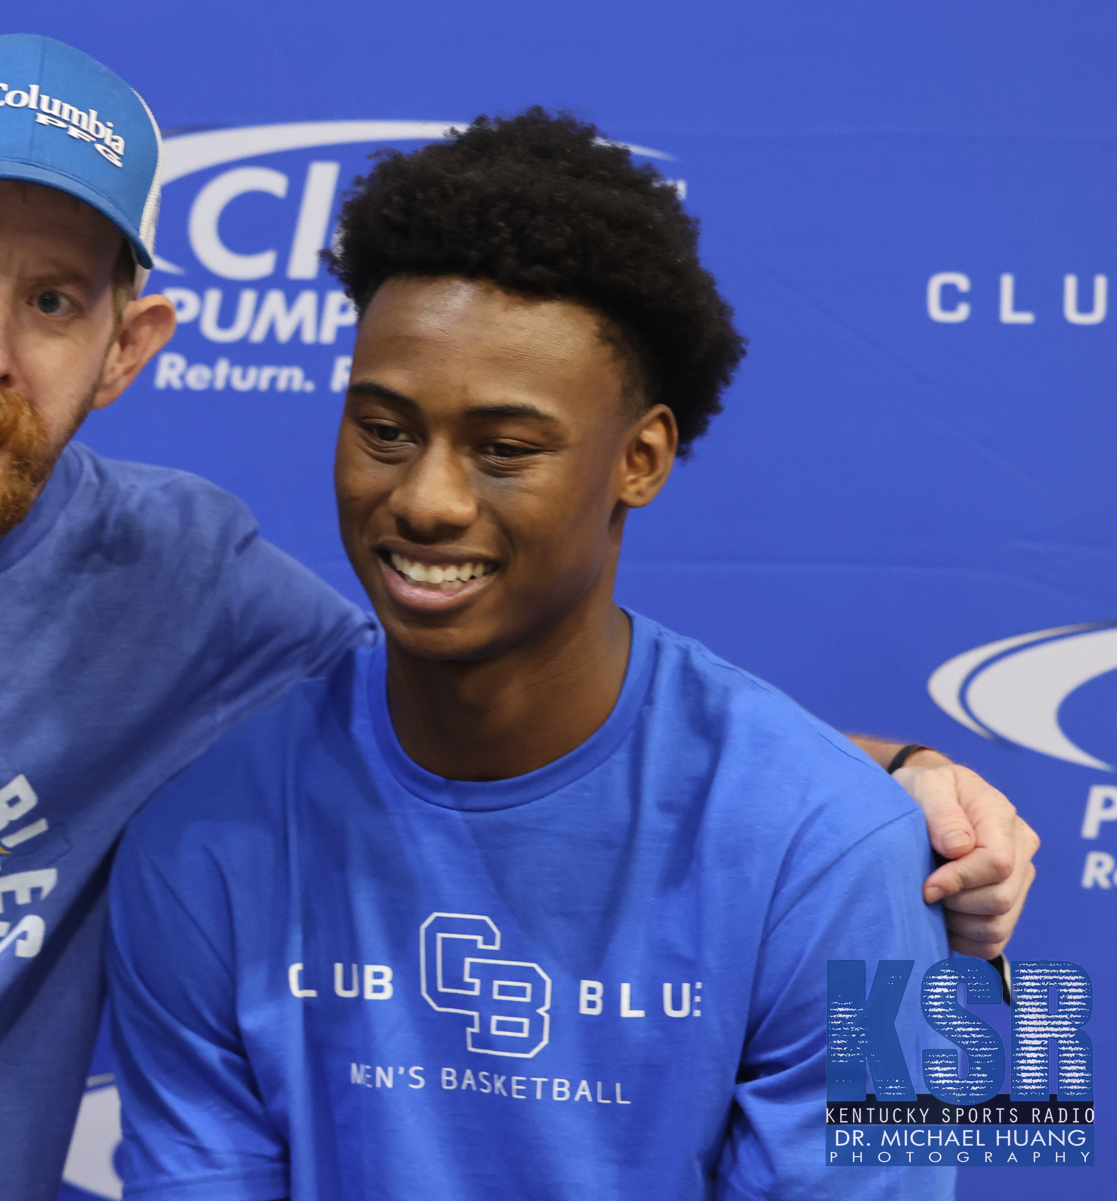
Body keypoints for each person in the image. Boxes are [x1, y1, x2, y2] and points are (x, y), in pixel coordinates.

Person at [0, 36, 1028, 1201]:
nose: (429, 501)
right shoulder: (212, 822)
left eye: (54, 297)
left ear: (130, 343)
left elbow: (971, 1139)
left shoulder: (854, 848)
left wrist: (908, 777)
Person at [105, 111, 965, 1200]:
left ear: (640, 457)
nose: (425, 499)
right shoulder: (198, 839)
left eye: (505, 449)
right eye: (383, 430)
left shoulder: (855, 848)